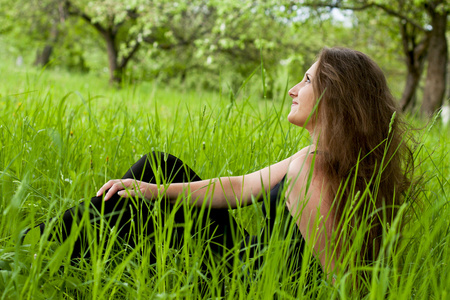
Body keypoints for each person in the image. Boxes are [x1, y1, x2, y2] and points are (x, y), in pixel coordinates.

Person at [31, 47, 414, 287]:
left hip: (249, 281)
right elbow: (237, 188)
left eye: (307, 79)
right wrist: (155, 190)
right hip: (251, 258)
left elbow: (339, 279)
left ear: (333, 96)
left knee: (136, 207)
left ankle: (40, 252)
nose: (293, 89)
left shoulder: (315, 170)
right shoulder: (319, 159)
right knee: (157, 169)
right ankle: (49, 247)